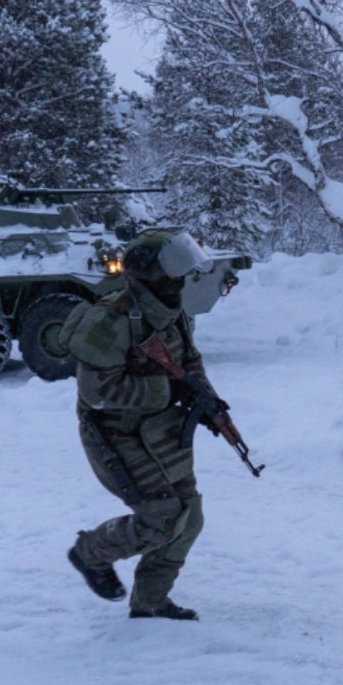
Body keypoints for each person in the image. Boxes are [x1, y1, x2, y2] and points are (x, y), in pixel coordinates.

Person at [62, 228, 227, 620]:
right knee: (162, 518)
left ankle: (151, 602)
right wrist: (166, 391)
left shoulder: (173, 313)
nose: (180, 280)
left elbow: (189, 363)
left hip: (160, 428)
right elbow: (96, 392)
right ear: (148, 274)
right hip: (113, 432)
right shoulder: (110, 320)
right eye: (172, 273)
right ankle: (90, 553)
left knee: (189, 516)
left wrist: (209, 400)